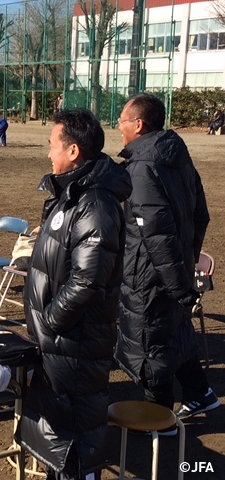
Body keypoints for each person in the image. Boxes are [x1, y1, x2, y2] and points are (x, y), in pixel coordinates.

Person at [16, 108, 132, 480]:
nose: (49, 153)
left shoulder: (95, 204)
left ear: (74, 151)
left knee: (77, 443)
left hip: (75, 344)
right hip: (58, 344)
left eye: (53, 146)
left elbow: (87, 282)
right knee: (60, 439)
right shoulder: (72, 193)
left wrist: (49, 322)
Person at [114, 93, 219, 424]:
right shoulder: (177, 157)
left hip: (150, 278)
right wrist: (186, 267)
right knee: (177, 335)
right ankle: (200, 394)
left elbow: (157, 236)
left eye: (122, 122)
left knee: (151, 347)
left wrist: (176, 285)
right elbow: (200, 216)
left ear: (139, 124)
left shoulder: (143, 168)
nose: (119, 128)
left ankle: (157, 421)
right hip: (174, 273)